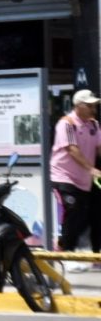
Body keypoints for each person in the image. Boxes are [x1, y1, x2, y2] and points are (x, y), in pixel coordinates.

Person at [50, 89, 101, 259]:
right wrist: (91, 169)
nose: (94, 109)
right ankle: (65, 252)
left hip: (83, 181)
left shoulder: (94, 124)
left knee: (82, 217)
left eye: (94, 106)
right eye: (90, 105)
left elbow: (99, 148)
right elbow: (72, 149)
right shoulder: (67, 123)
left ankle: (68, 249)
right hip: (63, 176)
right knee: (72, 210)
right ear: (79, 105)